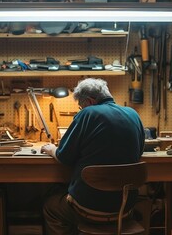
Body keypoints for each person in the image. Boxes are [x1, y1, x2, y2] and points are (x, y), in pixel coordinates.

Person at [40, 78, 145, 235]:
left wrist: (51, 149)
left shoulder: (87, 113)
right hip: (124, 207)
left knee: (51, 206)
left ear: (89, 101)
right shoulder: (133, 114)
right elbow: (139, 152)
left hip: (89, 209)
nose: (81, 109)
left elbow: (64, 157)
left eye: (81, 106)